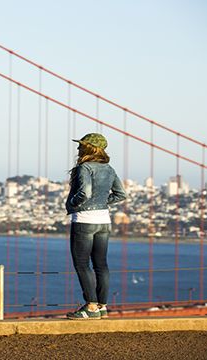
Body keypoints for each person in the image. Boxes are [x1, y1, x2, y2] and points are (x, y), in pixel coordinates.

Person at [65, 133, 127, 320]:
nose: (78, 148)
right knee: (101, 265)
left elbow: (85, 192)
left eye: (81, 145)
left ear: (89, 148)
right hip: (103, 221)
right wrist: (103, 203)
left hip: (85, 220)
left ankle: (90, 306)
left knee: (82, 264)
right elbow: (121, 194)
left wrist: (76, 203)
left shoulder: (84, 167)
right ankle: (102, 306)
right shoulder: (109, 169)